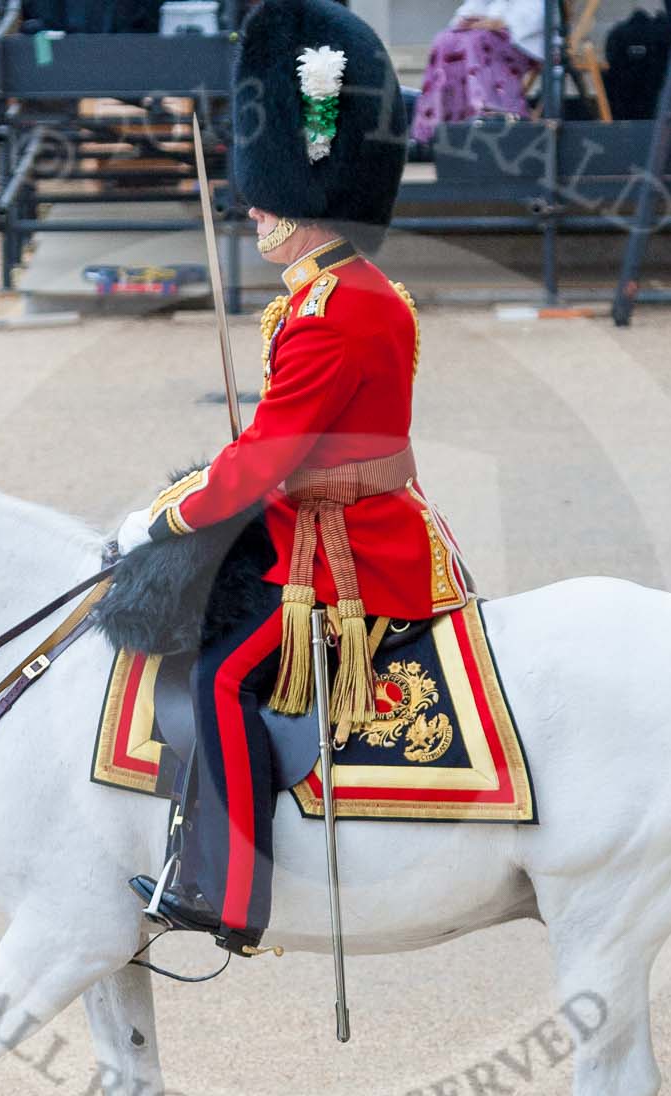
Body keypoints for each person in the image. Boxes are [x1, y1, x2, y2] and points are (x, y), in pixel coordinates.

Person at [114, 0, 467, 955]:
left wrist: (167, 513)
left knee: (224, 674)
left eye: (267, 197)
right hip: (326, 523)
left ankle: (227, 890)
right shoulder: (342, 291)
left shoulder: (332, 311)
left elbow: (267, 459)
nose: (254, 208)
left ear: (305, 201)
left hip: (346, 552)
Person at [408, 0, 541, 146]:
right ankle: (434, 130)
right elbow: (468, 11)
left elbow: (538, 16)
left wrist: (499, 22)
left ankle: (492, 117)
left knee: (476, 41)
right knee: (444, 40)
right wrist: (468, 20)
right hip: (488, 33)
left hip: (527, 40)